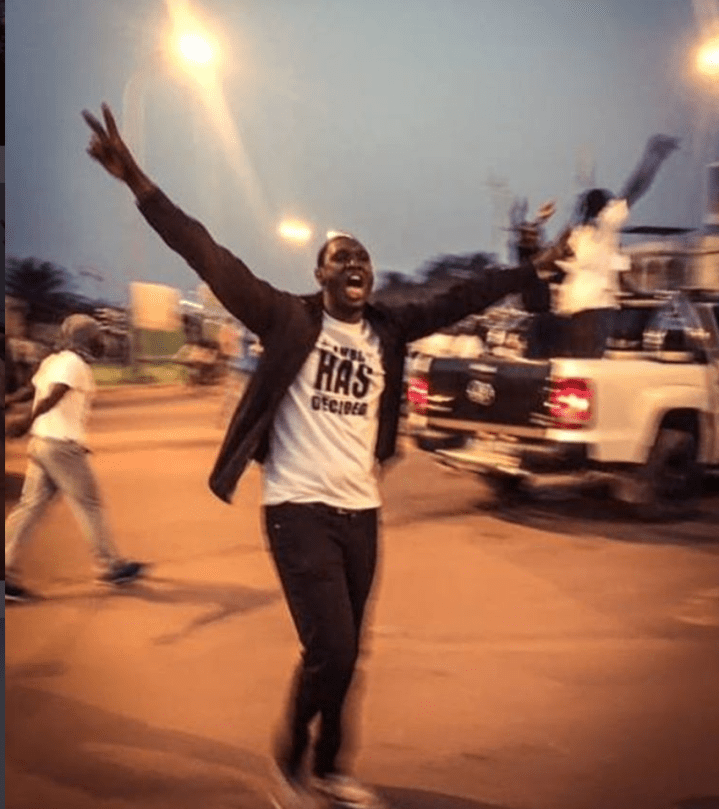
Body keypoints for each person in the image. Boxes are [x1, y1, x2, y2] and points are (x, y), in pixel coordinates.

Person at [82, 102, 549, 809]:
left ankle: (331, 768)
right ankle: (289, 764)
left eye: (362, 256)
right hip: (295, 507)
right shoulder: (285, 316)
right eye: (340, 257)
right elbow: (205, 252)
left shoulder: (389, 328)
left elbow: (464, 296)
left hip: (360, 512)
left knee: (346, 655)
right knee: (329, 645)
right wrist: (138, 182)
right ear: (319, 274)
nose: (354, 263)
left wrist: (525, 263)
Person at [4, 314, 146, 602]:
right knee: (89, 505)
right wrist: (25, 418)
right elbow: (53, 395)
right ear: (83, 338)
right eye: (95, 336)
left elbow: (31, 389)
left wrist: (9, 402)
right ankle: (112, 566)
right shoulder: (74, 363)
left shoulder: (53, 360)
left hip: (42, 444)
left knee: (30, 507)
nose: (100, 341)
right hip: (61, 447)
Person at [547, 134, 680, 358]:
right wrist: (653, 158)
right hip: (595, 308)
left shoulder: (574, 235)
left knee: (574, 366)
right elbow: (635, 187)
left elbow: (558, 267)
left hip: (570, 308)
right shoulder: (605, 226)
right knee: (589, 364)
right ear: (604, 208)